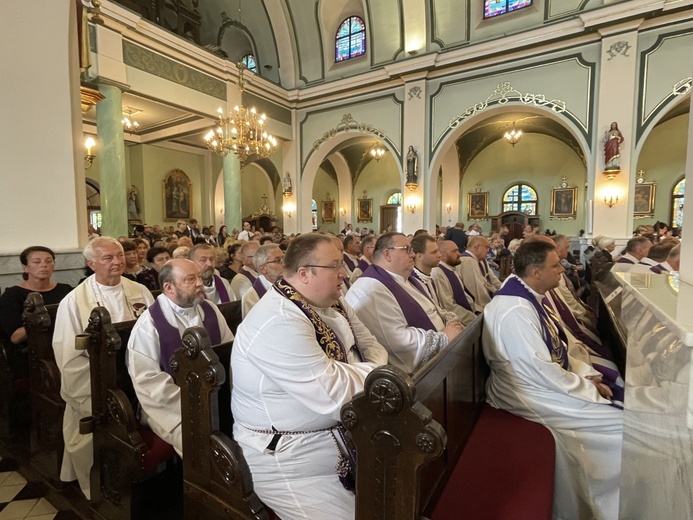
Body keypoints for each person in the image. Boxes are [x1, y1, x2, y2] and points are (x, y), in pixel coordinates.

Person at [231, 233, 388, 519]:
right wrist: (374, 373)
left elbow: (374, 347)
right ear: (304, 273)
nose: (344, 273)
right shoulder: (278, 321)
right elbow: (333, 393)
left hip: (346, 434)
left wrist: (357, 371)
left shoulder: (333, 301)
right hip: (292, 459)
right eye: (335, 266)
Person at [483, 240, 622, 520]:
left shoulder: (529, 297)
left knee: (619, 420)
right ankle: (604, 507)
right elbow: (538, 370)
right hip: (525, 392)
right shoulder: (515, 311)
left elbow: (559, 347)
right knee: (620, 430)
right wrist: (587, 388)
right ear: (535, 272)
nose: (562, 269)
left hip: (544, 382)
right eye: (555, 265)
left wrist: (586, 373)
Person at [53, 237, 155, 499]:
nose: (118, 261)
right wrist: (96, 389)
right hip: (97, 382)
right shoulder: (74, 302)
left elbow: (154, 334)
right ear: (91, 263)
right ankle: (102, 488)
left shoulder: (140, 291)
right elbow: (69, 354)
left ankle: (148, 485)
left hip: (138, 376)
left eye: (119, 255)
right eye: (108, 258)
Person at [126, 259, 234, 456]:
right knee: (202, 445)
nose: (200, 283)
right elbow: (148, 380)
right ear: (169, 287)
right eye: (190, 279)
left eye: (199, 277)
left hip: (217, 397)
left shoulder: (210, 310)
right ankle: (201, 486)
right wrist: (196, 406)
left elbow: (229, 353)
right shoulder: (149, 325)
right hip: (169, 408)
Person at [346, 232, 463, 373]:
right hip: (416, 375)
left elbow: (434, 309)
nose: (413, 254)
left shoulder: (405, 279)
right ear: (387, 254)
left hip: (446, 349)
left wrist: (451, 323)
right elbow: (398, 340)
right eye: (407, 249)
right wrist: (443, 338)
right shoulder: (371, 289)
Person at [0, 247, 72, 383]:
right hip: (32, 351)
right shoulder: (12, 296)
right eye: (37, 262)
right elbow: (15, 337)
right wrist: (43, 320)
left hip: (66, 343)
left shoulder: (66, 290)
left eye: (48, 261)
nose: (44, 265)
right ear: (25, 267)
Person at [432, 240, 478, 324]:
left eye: (457, 250)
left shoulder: (452, 268)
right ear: (442, 255)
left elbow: (465, 296)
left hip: (469, 315)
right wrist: (473, 319)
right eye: (454, 251)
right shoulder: (438, 273)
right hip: (460, 321)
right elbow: (449, 306)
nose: (459, 254)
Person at [458, 235, 502, 309]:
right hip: (476, 305)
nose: (488, 251)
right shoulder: (467, 261)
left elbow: (492, 279)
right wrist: (490, 304)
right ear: (477, 247)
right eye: (486, 247)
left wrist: (503, 290)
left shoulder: (481, 259)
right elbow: (477, 288)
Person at [241, 244, 284, 317]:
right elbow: (253, 325)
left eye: (284, 258)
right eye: (278, 260)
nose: (284, 263)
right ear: (263, 269)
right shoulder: (252, 296)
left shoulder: (291, 285)